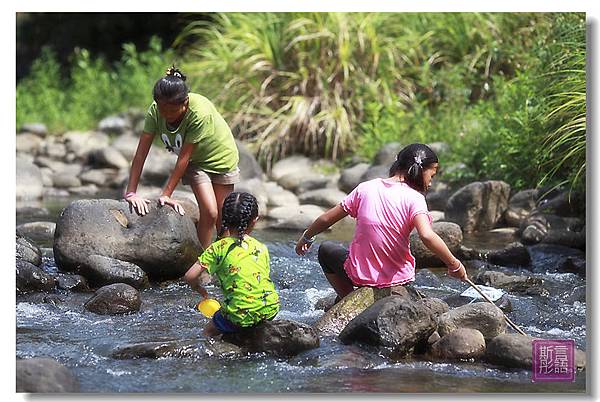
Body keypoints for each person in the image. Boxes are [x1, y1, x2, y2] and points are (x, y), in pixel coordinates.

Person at [295, 143, 468, 302]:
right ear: (420, 170)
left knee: (326, 249)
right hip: (398, 278)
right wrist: (454, 264)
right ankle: (354, 300)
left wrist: (306, 237)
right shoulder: (415, 198)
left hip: (360, 277)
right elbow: (427, 235)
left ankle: (349, 298)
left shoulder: (366, 188)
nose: (431, 181)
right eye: (432, 174)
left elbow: (326, 218)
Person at [124, 65, 240, 249]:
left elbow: (183, 157)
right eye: (163, 110)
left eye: (172, 111)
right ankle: (202, 265)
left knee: (223, 221)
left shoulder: (198, 113)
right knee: (210, 212)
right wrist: (131, 192)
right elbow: (140, 154)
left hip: (222, 158)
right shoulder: (155, 112)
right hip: (195, 163)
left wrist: (167, 193)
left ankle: (224, 262)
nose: (167, 116)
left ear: (185, 102)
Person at [184, 192, 280, 337]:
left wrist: (199, 289)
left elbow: (189, 276)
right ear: (255, 220)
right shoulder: (261, 247)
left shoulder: (218, 248)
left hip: (238, 316)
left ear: (224, 219)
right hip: (271, 309)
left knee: (208, 331)